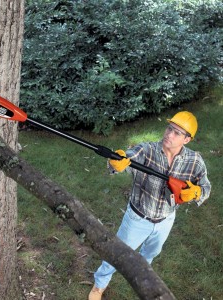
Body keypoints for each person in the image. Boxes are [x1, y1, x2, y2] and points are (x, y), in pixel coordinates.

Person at [88, 111, 211, 300]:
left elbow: (205, 187)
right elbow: (128, 157)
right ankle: (99, 284)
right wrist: (116, 162)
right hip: (137, 218)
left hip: (165, 221)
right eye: (169, 128)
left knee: (150, 254)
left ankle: (142, 279)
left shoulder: (194, 162)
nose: (169, 134)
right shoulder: (147, 150)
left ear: (187, 140)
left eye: (177, 133)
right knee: (117, 254)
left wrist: (197, 193)